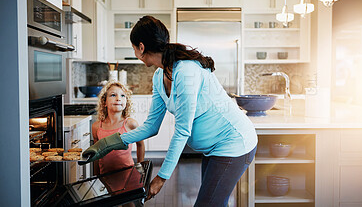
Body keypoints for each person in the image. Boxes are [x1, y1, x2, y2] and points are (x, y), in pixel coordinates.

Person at [81, 16, 258, 207]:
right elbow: (151, 127)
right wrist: (106, 144)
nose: (135, 52)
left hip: (235, 143)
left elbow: (183, 130)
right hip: (213, 149)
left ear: (141, 47)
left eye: (134, 48)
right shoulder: (159, 76)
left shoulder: (186, 71)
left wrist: (161, 177)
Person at [91, 81, 145, 206]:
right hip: (106, 175)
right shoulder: (96, 127)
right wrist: (96, 174)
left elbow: (140, 144)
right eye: (113, 95)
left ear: (126, 103)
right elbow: (96, 152)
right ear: (104, 102)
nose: (118, 99)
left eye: (122, 96)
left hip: (127, 173)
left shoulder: (130, 124)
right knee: (111, 203)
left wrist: (140, 165)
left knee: (128, 204)